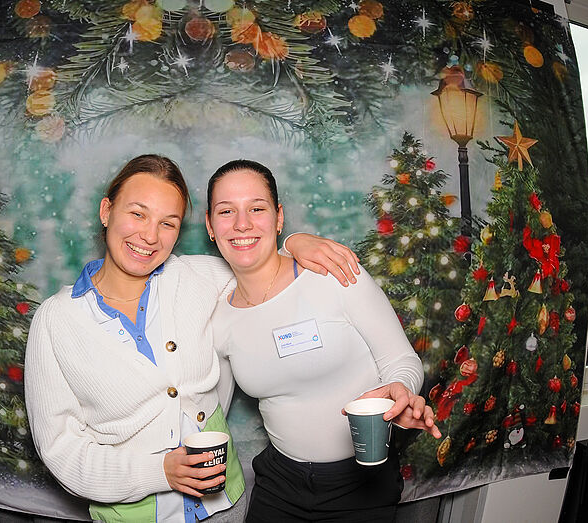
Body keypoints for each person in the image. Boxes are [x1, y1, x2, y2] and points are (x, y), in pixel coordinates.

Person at [24, 155, 361, 523]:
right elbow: (60, 449)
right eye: (138, 214)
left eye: (167, 223)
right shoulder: (56, 320)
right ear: (107, 211)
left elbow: (260, 266)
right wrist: (158, 472)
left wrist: (293, 243)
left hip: (226, 508)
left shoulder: (198, 277)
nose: (150, 236)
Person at [206, 160, 442, 523]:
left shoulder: (333, 274)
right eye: (226, 211)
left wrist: (401, 388)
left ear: (279, 217)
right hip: (278, 484)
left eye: (257, 208)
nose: (242, 224)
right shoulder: (220, 318)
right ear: (210, 226)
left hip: (362, 483)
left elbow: (401, 360)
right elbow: (211, 409)